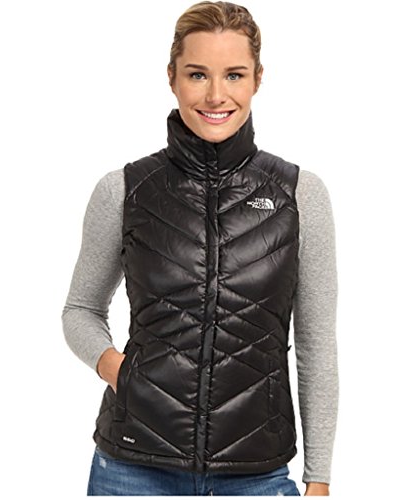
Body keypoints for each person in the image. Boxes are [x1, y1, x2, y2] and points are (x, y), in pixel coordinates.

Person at [62, 1, 339, 496]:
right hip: (132, 468)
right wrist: (118, 371)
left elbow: (316, 344)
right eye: (197, 74)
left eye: (234, 75)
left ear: (257, 79)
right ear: (171, 77)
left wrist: (318, 477)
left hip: (256, 475)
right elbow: (81, 309)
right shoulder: (124, 190)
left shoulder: (299, 195)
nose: (216, 95)